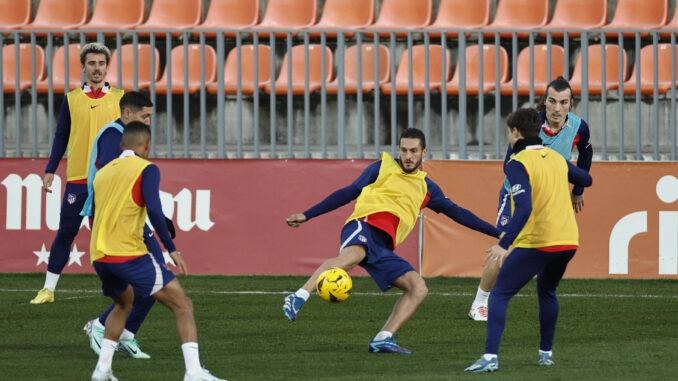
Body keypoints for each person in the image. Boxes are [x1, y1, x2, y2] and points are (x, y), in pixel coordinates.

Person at [284, 128, 503, 354]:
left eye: (413, 151)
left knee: (418, 288)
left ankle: (383, 337)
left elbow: (458, 213)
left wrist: (497, 233)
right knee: (354, 255)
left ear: (423, 152)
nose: (408, 156)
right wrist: (307, 215)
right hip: (363, 225)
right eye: (404, 150)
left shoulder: (427, 188)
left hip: (383, 245)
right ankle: (298, 296)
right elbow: (347, 192)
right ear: (398, 150)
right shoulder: (380, 168)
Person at [89, 122, 224, 381]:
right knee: (183, 305)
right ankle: (194, 372)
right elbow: (153, 209)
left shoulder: (103, 172)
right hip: (128, 254)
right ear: (147, 145)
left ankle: (102, 370)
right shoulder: (146, 169)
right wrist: (171, 248)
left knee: (123, 303)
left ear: (121, 145)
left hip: (100, 255)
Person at [464, 108, 592, 373]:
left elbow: (522, 208)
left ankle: (490, 358)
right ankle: (545, 354)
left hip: (539, 241)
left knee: (499, 293)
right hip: (568, 241)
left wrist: (504, 244)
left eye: (508, 132)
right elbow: (586, 179)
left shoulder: (517, 162)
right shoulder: (556, 158)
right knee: (547, 291)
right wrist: (569, 178)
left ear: (514, 132)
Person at [467, 76, 593, 321]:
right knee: (506, 245)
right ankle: (480, 303)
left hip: (548, 199)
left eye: (563, 102)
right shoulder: (529, 124)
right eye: (552, 101)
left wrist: (578, 189)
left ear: (571, 103)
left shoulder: (579, 127)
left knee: (548, 247)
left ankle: (541, 301)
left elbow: (586, 152)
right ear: (544, 102)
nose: (557, 108)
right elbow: (509, 164)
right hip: (516, 195)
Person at [31, 42, 124, 305]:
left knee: (108, 235)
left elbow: (129, 138)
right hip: (78, 179)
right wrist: (50, 169)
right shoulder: (72, 100)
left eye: (102, 64)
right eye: (92, 64)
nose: (97, 69)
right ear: (83, 67)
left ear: (107, 67)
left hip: (108, 179)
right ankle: (48, 289)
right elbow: (61, 136)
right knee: (66, 232)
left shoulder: (120, 98)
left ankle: (118, 289)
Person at [81, 91, 170, 359]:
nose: (148, 122)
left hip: (128, 217)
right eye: (145, 116)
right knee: (153, 279)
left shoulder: (128, 137)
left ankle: (126, 333)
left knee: (156, 277)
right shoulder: (114, 136)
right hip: (116, 220)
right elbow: (114, 182)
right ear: (128, 114)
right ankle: (100, 326)